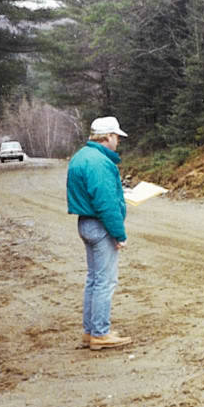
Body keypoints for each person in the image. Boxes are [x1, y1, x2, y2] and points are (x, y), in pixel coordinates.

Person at [66, 116, 132, 350]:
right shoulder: (100, 162)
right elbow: (106, 203)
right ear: (108, 137)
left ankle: (90, 331)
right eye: (116, 137)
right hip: (100, 225)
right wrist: (119, 233)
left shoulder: (81, 157)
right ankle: (100, 334)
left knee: (94, 280)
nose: (118, 142)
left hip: (86, 223)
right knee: (105, 281)